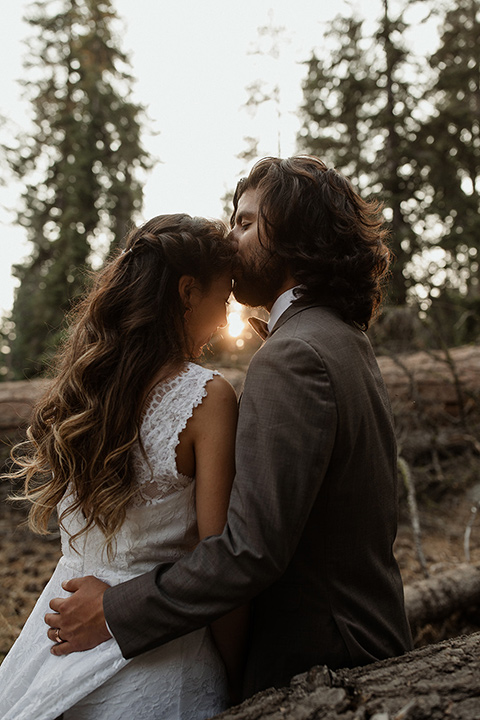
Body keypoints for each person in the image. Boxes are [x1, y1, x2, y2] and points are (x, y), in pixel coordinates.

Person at [45, 155, 413, 698]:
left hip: (324, 661)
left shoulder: (294, 355)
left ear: (292, 233)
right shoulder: (338, 336)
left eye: (245, 222)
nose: (230, 238)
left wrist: (114, 611)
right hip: (358, 642)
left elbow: (248, 551)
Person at [0, 214, 246, 720]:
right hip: (161, 656)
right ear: (186, 292)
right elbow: (216, 560)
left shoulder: (84, 386)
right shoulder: (207, 398)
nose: (224, 320)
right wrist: (242, 669)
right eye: (221, 301)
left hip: (58, 630)